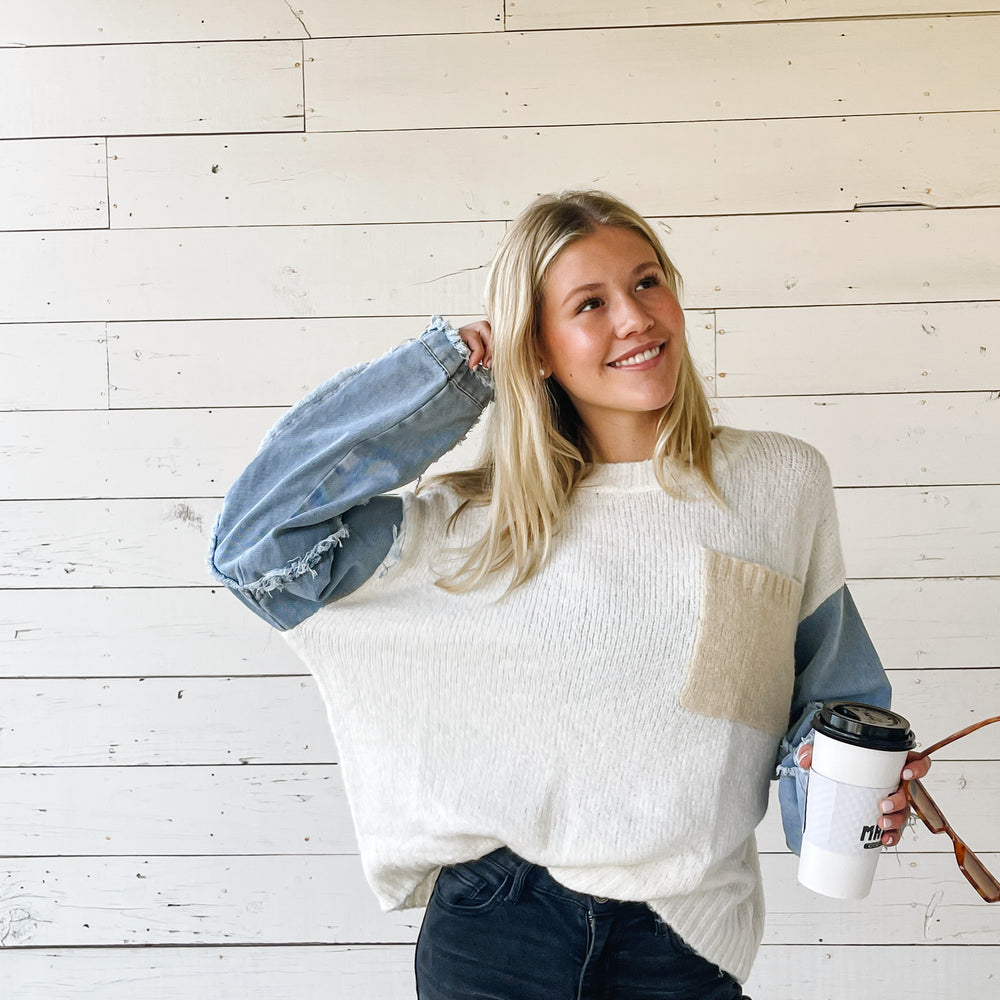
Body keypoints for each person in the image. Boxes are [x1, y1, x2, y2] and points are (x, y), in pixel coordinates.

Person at [208, 190, 929, 999]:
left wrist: (832, 774)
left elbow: (828, 696)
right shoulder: (469, 525)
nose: (635, 318)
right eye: (591, 303)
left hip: (685, 933)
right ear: (538, 348)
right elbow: (254, 552)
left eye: (648, 282)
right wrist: (444, 375)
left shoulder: (779, 482)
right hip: (496, 927)